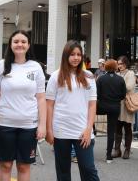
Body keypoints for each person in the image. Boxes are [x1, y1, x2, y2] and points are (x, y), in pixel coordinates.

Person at [0, 30, 46, 181]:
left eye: (23, 41)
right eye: (16, 41)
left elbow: (41, 98)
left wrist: (42, 125)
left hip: (28, 125)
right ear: (10, 44)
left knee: (23, 166)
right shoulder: (1, 65)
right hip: (4, 123)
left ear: (28, 45)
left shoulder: (35, 67)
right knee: (6, 165)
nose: (19, 44)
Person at [46, 40, 100, 181]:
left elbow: (92, 105)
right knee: (63, 171)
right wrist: (49, 130)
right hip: (61, 131)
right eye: (72, 54)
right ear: (65, 56)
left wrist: (89, 128)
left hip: (83, 131)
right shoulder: (55, 76)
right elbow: (49, 105)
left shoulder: (89, 76)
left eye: (78, 54)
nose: (76, 58)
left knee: (88, 170)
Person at [96, 59, 126, 163]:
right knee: (111, 131)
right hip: (115, 107)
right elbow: (123, 95)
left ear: (106, 67)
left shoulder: (101, 79)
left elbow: (97, 94)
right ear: (115, 67)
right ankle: (108, 156)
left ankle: (92, 129)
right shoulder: (120, 79)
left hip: (102, 106)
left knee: (89, 117)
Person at [112, 55, 136, 159]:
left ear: (125, 64)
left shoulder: (130, 73)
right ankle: (117, 149)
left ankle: (127, 149)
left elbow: (129, 87)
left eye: (121, 63)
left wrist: (116, 87)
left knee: (127, 127)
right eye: (118, 63)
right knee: (117, 127)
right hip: (117, 103)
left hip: (127, 104)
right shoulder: (116, 73)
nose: (119, 65)